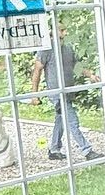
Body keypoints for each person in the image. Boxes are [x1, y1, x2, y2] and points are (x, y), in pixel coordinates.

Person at [30, 24, 99, 161]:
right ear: (53, 31)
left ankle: (54, 149)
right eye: (62, 30)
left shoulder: (68, 48)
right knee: (72, 120)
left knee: (60, 119)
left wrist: (91, 75)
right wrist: (34, 95)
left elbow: (77, 66)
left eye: (65, 30)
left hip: (68, 91)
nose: (65, 32)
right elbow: (37, 71)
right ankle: (87, 151)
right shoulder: (46, 49)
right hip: (57, 93)